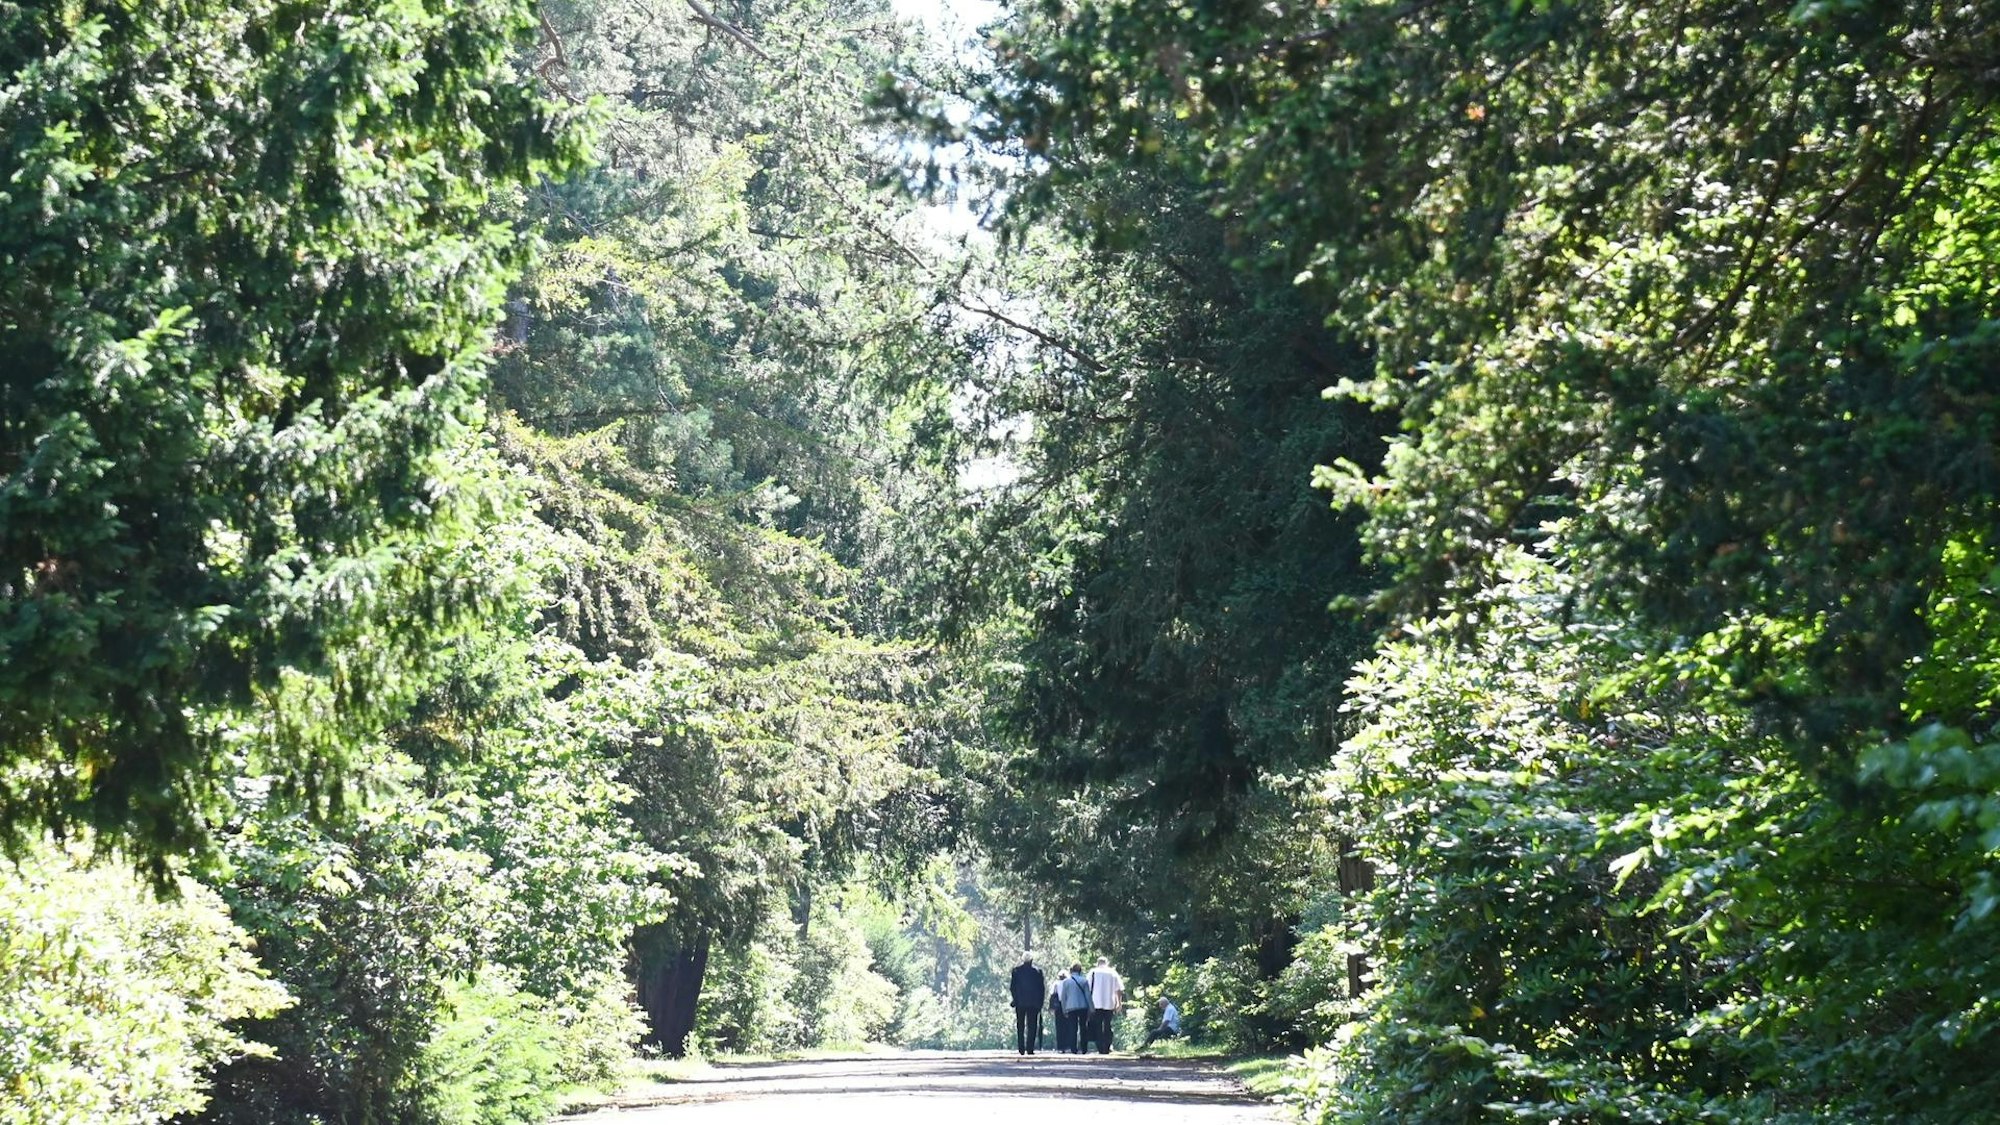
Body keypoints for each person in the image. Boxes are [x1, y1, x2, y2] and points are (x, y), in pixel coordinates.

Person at [1085, 955, 1123, 1054]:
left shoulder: (1092, 972)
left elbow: (1087, 988)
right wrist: (1119, 1003)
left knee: (1097, 1025)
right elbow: (1118, 989)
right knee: (1108, 1025)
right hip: (1109, 1002)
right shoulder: (1112, 972)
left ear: (1098, 963)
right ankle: (1107, 1046)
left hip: (1095, 1003)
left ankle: (1100, 1047)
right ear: (1107, 963)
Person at [1010, 953, 1046, 1055]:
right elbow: (1041, 989)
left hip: (1020, 1002)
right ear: (1031, 960)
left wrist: (1015, 999)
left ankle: (1021, 1048)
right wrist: (1040, 1003)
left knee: (1020, 1025)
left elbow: (1012, 987)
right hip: (1033, 1003)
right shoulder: (1037, 972)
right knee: (1032, 1026)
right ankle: (1030, 1048)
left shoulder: (1016, 971)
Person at [1059, 962, 1092, 1053]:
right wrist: (1091, 1008)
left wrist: (1064, 1009)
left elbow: (1063, 997)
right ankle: (1084, 1048)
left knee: (1072, 1028)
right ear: (1080, 970)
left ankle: (1073, 1048)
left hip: (1071, 1007)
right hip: (1083, 1007)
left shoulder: (1066, 982)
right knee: (1083, 1027)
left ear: (1071, 970)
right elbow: (1088, 996)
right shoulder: (1084, 981)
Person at [1049, 970, 1072, 1053]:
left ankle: (1060, 1046)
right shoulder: (1069, 983)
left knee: (1059, 1026)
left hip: (1058, 1006)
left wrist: (1051, 1008)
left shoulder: (1056, 984)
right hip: (1067, 1004)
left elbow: (1052, 994)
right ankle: (1068, 1045)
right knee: (1068, 1025)